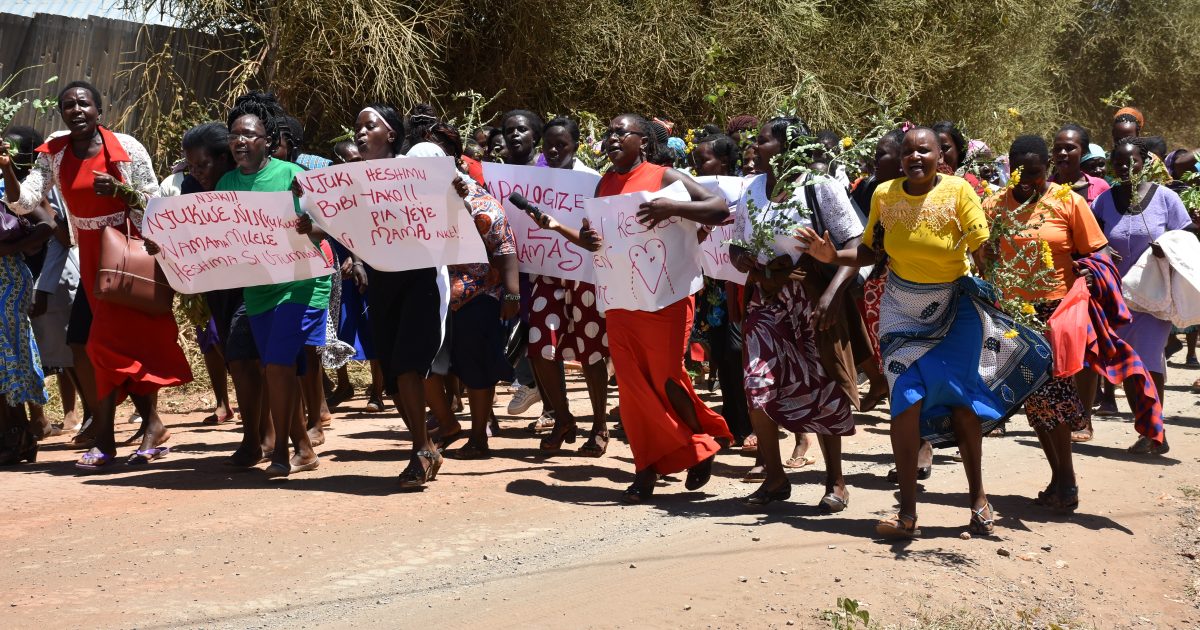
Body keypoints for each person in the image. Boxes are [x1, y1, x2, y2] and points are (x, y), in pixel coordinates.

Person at [799, 126, 1052, 538]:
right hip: (901, 310)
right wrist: (832, 255)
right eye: (908, 152)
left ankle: (978, 498)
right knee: (905, 401)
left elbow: (981, 249)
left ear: (940, 156)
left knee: (959, 402)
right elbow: (870, 249)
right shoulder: (885, 194)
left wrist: (1002, 290)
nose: (915, 157)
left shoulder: (957, 192)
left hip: (955, 310)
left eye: (925, 151)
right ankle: (908, 515)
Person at [2, 80, 192, 471]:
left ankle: (108, 437)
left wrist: (122, 191)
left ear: (99, 109)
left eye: (84, 104)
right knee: (101, 346)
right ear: (62, 113)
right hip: (86, 255)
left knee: (111, 345)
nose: (77, 110)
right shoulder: (53, 153)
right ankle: (149, 427)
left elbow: (153, 204)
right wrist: (7, 170)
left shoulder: (126, 148)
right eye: (68, 105)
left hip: (123, 254)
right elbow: (23, 204)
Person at [586, 113, 733, 503]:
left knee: (667, 377)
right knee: (633, 387)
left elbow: (719, 209)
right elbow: (606, 240)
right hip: (621, 300)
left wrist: (673, 208)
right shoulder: (603, 184)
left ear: (643, 142)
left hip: (666, 297)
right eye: (609, 133)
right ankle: (645, 468)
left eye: (621, 133)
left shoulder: (665, 177)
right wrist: (590, 237)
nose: (612, 138)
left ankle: (699, 442)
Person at [729, 117, 862, 509]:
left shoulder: (818, 187)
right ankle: (775, 478)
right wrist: (742, 257)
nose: (756, 146)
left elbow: (854, 243)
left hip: (809, 301)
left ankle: (835, 481)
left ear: (790, 147)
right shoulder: (752, 188)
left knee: (821, 383)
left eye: (765, 140)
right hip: (765, 302)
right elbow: (737, 244)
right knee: (757, 386)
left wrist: (833, 295)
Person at [983, 135, 1108, 511]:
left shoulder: (1068, 202)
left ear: (1047, 169)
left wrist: (1086, 280)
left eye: (1035, 173)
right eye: (1019, 171)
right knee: (1033, 402)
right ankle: (1059, 479)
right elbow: (982, 257)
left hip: (1055, 315)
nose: (1025, 180)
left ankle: (1067, 482)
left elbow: (1098, 255)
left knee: (1049, 397)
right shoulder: (993, 207)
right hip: (1011, 317)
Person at [218, 92, 328, 477]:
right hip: (259, 287)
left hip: (299, 282)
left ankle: (280, 450)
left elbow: (325, 225)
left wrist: (307, 226)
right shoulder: (226, 183)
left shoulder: (291, 176)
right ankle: (304, 448)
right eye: (234, 135)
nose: (240, 141)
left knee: (279, 365)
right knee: (275, 369)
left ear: (266, 141)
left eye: (249, 134)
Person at [338, 103, 447, 488]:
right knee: (395, 377)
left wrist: (457, 191)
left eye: (370, 126)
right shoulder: (351, 181)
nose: (361, 133)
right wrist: (313, 221)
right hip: (381, 286)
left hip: (418, 280)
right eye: (358, 127)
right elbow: (341, 228)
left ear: (392, 135)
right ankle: (427, 444)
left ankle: (419, 451)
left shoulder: (415, 175)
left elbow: (448, 213)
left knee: (407, 366)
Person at [1089, 136, 1193, 455]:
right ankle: (1145, 426)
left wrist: (1167, 246)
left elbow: (1186, 238)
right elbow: (1091, 239)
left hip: (1153, 297)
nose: (1123, 166)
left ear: (1144, 162)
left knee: (1146, 361)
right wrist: (1103, 249)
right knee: (1125, 368)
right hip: (1115, 299)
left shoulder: (1166, 199)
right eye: (1117, 161)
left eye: (1130, 160)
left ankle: (1155, 432)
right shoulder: (1104, 201)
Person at [421, 123, 519, 458]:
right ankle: (449, 424)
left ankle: (479, 438)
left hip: (476, 294)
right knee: (421, 366)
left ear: (451, 157)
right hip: (432, 295)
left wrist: (511, 295)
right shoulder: (412, 202)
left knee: (476, 368)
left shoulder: (480, 201)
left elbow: (505, 248)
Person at [520, 117, 612, 456]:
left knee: (591, 349)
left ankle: (600, 425)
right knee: (539, 345)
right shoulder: (534, 181)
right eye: (549, 144)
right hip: (545, 272)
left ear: (576, 145)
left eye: (562, 144)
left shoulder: (591, 181)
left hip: (584, 275)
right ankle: (563, 417)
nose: (554, 150)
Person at [688, 133, 750, 447]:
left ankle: (751, 420)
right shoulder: (693, 192)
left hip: (740, 283)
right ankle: (734, 421)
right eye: (694, 162)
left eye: (703, 161)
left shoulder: (745, 190)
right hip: (714, 284)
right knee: (722, 352)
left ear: (723, 162)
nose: (696, 166)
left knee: (740, 351)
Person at [0, 127, 56, 464]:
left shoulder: (7, 187)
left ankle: (18, 435)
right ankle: (19, 434)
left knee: (8, 355)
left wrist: (15, 248)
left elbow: (48, 224)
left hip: (8, 281)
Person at [1051, 124, 1111, 205]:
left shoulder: (1100, 187)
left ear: (1084, 152)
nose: (1062, 153)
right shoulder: (1044, 187)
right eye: (1057, 148)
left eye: (1069, 148)